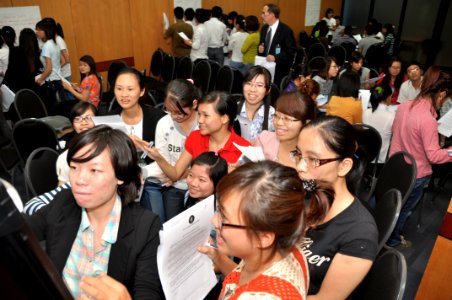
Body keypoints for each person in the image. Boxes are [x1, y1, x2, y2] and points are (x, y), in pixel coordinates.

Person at [27, 125, 163, 298]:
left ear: (120, 175)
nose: (80, 180)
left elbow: (148, 291)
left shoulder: (146, 227)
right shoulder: (64, 202)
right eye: (74, 168)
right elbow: (22, 228)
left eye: (94, 170)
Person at [294, 116, 378, 298]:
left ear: (343, 167)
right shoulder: (306, 198)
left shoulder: (359, 234)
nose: (300, 166)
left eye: (313, 159)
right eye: (298, 154)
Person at [212, 161, 310, 299]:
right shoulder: (289, 250)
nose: (214, 221)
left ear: (263, 237)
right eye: (219, 210)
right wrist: (216, 256)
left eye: (224, 218)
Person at [388, 66, 452, 247]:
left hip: (396, 165)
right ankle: (392, 240)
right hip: (415, 174)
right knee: (404, 210)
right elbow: (434, 156)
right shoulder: (428, 120)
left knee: (392, 205)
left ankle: (385, 234)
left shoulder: (405, 105)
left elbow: (396, 132)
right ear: (441, 93)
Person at [148, 91, 251, 182]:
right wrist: (158, 157)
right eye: (199, 114)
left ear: (224, 118)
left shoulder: (245, 150)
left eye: (206, 115)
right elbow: (175, 174)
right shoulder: (195, 137)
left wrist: (232, 177)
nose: (200, 120)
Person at [140, 79, 200, 222]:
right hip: (172, 186)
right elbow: (164, 160)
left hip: (200, 187)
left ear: (194, 104)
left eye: (180, 112)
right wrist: (174, 174)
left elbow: (209, 160)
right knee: (172, 225)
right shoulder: (164, 124)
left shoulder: (203, 124)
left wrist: (182, 173)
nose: (174, 116)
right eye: (170, 111)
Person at [107, 67, 165, 164]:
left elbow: (166, 155)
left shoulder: (158, 119)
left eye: (130, 89)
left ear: (142, 91)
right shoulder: (109, 120)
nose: (124, 94)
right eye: (119, 89)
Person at [255, 91, 315, 168]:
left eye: (287, 119)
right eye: (276, 116)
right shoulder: (264, 139)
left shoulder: (314, 154)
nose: (279, 123)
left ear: (306, 123)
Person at [56, 101, 97, 186]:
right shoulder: (67, 156)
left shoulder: (108, 144)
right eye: (77, 119)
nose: (83, 123)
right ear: (73, 125)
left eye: (88, 118)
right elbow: (62, 187)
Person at [258, 3, 296, 86]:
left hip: (278, 71)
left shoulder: (286, 30)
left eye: (264, 13)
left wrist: (275, 57)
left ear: (272, 15)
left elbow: (291, 52)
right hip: (264, 68)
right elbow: (261, 45)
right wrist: (260, 49)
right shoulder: (264, 28)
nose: (261, 16)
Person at [235, 65, 275, 142]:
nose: (252, 89)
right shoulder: (233, 108)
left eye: (259, 85)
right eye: (249, 83)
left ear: (268, 90)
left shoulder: (273, 115)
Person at [3, 28, 42, 94]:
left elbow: (10, 70)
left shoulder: (15, 51)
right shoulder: (38, 53)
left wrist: (3, 85)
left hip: (18, 88)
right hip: (33, 88)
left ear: (21, 39)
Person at [35, 18, 62, 114]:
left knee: (52, 109)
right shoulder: (54, 43)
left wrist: (40, 79)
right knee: (57, 107)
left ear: (46, 31)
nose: (36, 32)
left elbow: (49, 68)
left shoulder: (46, 45)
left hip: (51, 81)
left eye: (39, 30)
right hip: (57, 79)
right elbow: (59, 61)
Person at [363, 84, 395, 163]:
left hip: (366, 157)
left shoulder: (365, 112)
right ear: (388, 98)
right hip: (381, 160)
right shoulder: (391, 116)